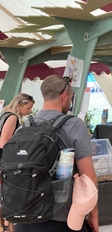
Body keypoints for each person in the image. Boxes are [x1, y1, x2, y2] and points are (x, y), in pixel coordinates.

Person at [14, 75, 98, 232]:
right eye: (71, 98)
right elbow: (89, 178)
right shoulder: (73, 125)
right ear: (64, 95)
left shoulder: (23, 128)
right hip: (62, 218)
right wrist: (93, 215)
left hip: (24, 216)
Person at [0, 93, 35, 232]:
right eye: (28, 108)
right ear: (20, 104)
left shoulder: (4, 114)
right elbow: (4, 143)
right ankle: (8, 225)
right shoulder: (12, 117)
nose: (30, 111)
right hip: (5, 160)